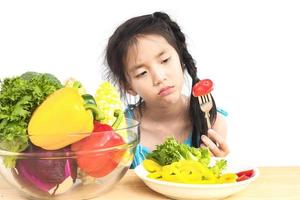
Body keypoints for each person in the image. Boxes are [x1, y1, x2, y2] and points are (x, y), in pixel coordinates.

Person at [104, 12, 229, 168]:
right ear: (128, 87)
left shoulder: (211, 121)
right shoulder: (122, 130)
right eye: (142, 73)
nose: (159, 77)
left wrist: (216, 164)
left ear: (181, 58)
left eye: (164, 60)